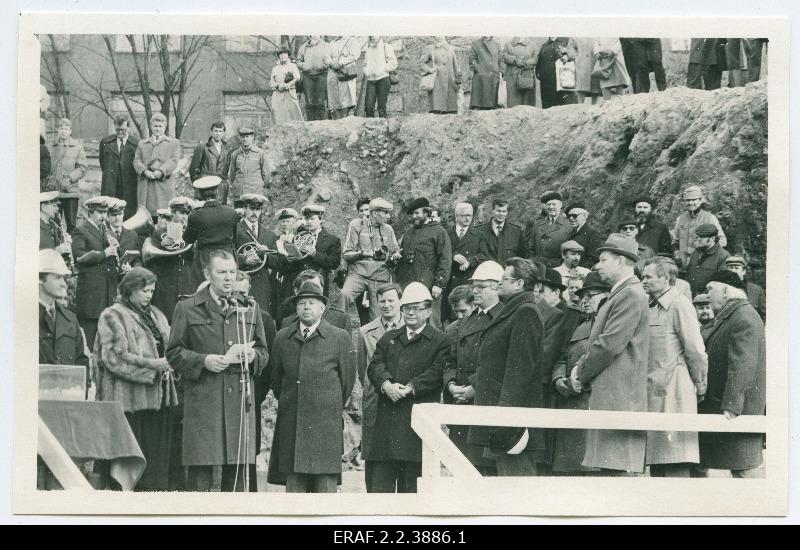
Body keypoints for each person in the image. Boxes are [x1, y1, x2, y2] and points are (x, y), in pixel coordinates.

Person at [165, 250, 270, 492]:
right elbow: (173, 352)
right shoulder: (187, 308)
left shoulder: (250, 309)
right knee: (200, 482)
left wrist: (254, 356)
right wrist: (203, 361)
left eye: (232, 272)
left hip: (239, 409)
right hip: (204, 404)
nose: (228, 278)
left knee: (236, 485)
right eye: (221, 272)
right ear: (207, 274)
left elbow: (264, 350)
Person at [569, 234, 649, 475]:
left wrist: (579, 373)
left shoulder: (630, 294)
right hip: (613, 394)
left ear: (622, 261)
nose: (597, 265)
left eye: (604, 259)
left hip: (619, 396)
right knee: (610, 471)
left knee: (615, 474)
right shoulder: (622, 293)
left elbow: (609, 345)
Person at [267, 280, 355, 492]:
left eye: (312, 303)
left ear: (322, 308)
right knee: (295, 495)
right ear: (296, 308)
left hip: (325, 426)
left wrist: (324, 402)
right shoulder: (282, 338)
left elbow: (347, 382)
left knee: (324, 493)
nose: (306, 307)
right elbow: (277, 381)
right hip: (292, 423)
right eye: (302, 303)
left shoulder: (339, 338)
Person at [94, 267, 177, 490]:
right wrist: (154, 368)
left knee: (154, 465)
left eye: (151, 290)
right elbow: (113, 359)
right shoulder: (112, 315)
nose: (149, 295)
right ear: (129, 290)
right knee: (129, 467)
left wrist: (169, 364)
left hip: (158, 401)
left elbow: (170, 348)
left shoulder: (157, 314)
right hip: (129, 403)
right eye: (144, 291)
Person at [366, 282, 449, 492]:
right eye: (407, 308)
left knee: (412, 495)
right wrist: (386, 385)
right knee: (379, 495)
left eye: (416, 308)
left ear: (429, 310)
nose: (410, 313)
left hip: (416, 430)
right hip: (386, 428)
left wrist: (411, 387)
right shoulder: (389, 338)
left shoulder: (440, 341)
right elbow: (375, 366)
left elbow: (437, 371)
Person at [468, 257, 545, 476]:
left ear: (519, 283)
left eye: (504, 278)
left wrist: (505, 417)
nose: (498, 283)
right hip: (501, 415)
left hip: (511, 421)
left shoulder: (525, 312)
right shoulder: (514, 310)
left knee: (516, 485)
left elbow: (520, 370)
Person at [641, 257, 708, 478]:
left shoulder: (679, 304)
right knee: (659, 462)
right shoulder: (651, 307)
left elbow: (695, 350)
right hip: (655, 393)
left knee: (675, 460)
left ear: (665, 278)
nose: (643, 281)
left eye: (648, 276)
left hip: (675, 393)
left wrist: (700, 385)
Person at [698, 271, 766, 478]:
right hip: (727, 409)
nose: (706, 294)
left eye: (710, 289)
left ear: (725, 291)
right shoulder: (735, 314)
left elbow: (743, 365)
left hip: (734, 412)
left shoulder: (743, 317)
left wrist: (731, 407)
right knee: (739, 468)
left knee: (743, 470)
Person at [443, 261, 505, 476]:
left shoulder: (505, 317)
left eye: (481, 286)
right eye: (474, 286)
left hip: (487, 403)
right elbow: (451, 360)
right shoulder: (466, 322)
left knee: (487, 472)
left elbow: (501, 362)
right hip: (460, 403)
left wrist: (474, 388)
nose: (474, 291)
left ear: (497, 287)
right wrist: (451, 385)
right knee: (461, 469)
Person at [550, 271, 608, 475]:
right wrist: (559, 380)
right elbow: (562, 356)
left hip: (593, 406)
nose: (584, 301)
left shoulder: (610, 328)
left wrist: (580, 380)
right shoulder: (581, 326)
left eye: (590, 295)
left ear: (607, 296)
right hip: (569, 404)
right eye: (583, 296)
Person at [357, 283, 405, 492]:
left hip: (403, 401)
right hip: (375, 402)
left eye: (391, 300)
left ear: (400, 302)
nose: (386, 305)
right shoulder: (365, 332)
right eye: (382, 301)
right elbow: (362, 369)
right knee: (376, 475)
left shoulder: (410, 329)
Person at [394, 197, 451, 330]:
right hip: (407, 284)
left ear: (426, 212)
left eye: (417, 213)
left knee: (432, 321)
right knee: (408, 320)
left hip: (429, 285)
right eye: (412, 214)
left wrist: (439, 284)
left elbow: (445, 259)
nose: (414, 217)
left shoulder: (439, 232)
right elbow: (402, 258)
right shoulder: (408, 233)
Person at [71, 196, 119, 352]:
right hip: (91, 297)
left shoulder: (105, 231)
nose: (104, 216)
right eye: (100, 212)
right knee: (91, 341)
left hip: (106, 294)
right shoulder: (81, 230)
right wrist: (104, 253)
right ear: (90, 213)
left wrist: (116, 252)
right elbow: (79, 257)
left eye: (105, 212)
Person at [341, 198, 399, 322]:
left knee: (377, 319)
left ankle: (374, 340)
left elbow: (395, 251)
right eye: (385, 213)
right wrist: (363, 254)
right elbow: (346, 254)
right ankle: (337, 335)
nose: (388, 216)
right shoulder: (357, 225)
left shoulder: (388, 229)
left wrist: (395, 257)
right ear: (374, 213)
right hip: (358, 274)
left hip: (380, 276)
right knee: (343, 297)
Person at [271, 204, 342, 299]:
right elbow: (285, 268)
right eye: (306, 219)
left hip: (318, 284)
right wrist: (289, 260)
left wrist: (315, 254)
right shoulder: (297, 238)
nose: (308, 222)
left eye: (312, 219)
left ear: (320, 220)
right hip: (297, 284)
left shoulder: (332, 240)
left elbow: (334, 263)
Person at [182, 175, 240, 288]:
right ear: (217, 191)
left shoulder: (195, 216)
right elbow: (235, 239)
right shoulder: (231, 212)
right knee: (227, 289)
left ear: (200, 194)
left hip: (205, 259)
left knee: (204, 291)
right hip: (227, 257)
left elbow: (187, 240)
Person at [146, 197, 195, 323]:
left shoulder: (191, 234)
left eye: (187, 214)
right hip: (167, 285)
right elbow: (150, 260)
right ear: (172, 213)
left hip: (186, 283)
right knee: (165, 321)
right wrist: (161, 245)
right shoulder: (159, 233)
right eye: (182, 213)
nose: (185, 217)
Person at [39, 248, 88, 372]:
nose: (64, 284)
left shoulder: (70, 318)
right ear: (39, 279)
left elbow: (81, 363)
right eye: (57, 278)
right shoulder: (23, 318)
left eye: (64, 278)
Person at [234, 193, 278, 315]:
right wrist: (244, 260)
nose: (255, 213)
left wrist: (266, 253)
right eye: (251, 209)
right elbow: (227, 254)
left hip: (262, 286)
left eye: (258, 209)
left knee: (261, 319)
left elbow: (277, 261)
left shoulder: (269, 234)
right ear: (245, 209)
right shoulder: (235, 229)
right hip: (240, 284)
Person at [133, 113, 181, 217]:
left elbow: (174, 160)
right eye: (155, 126)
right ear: (151, 127)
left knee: (164, 213)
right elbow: (136, 160)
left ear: (165, 127)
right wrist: (145, 171)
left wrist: (161, 171)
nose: (158, 129)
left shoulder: (173, 143)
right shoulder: (142, 144)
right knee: (146, 215)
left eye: (160, 126)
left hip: (164, 184)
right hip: (147, 183)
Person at [442, 202, 482, 324]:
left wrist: (470, 261)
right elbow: (440, 253)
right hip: (450, 280)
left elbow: (484, 255)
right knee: (451, 315)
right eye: (464, 215)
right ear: (456, 217)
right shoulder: (446, 234)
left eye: (470, 215)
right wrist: (453, 255)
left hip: (468, 280)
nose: (467, 218)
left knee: (468, 314)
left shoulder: (478, 234)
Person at [672, 185, 727, 271]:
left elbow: (722, 241)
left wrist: (706, 253)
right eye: (688, 200)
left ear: (700, 200)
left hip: (702, 266)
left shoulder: (710, 218)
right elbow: (675, 241)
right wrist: (676, 253)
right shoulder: (680, 219)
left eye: (694, 200)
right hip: (681, 266)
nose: (690, 203)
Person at [48, 117, 87, 232]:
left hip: (70, 192)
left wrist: (70, 179)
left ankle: (71, 248)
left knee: (71, 224)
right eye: (61, 128)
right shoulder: (51, 147)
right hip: (54, 192)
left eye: (66, 128)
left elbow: (83, 168)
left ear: (70, 131)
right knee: (54, 224)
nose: (63, 131)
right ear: (58, 130)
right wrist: (49, 180)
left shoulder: (77, 147)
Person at [279, 269, 351, 330]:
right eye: (307, 290)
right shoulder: (287, 323)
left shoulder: (340, 320)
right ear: (296, 292)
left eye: (317, 289)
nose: (314, 294)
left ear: (322, 290)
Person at [99, 114, 140, 220]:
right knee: (109, 212)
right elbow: (102, 163)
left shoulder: (136, 144)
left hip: (129, 185)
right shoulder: (105, 142)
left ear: (129, 128)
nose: (120, 132)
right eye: (117, 130)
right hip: (110, 184)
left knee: (128, 213)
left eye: (123, 130)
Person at [189, 122, 232, 206]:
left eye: (220, 131)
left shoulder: (227, 148)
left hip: (221, 187)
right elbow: (193, 168)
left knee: (220, 213)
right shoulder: (202, 147)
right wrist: (198, 185)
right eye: (215, 131)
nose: (218, 134)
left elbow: (226, 169)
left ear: (224, 133)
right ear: (211, 132)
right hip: (205, 186)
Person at [227, 127, 270, 208]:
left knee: (255, 217)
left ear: (252, 137)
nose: (245, 139)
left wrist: (259, 186)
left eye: (247, 137)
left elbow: (266, 175)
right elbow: (232, 175)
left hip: (255, 194)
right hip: (240, 194)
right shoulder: (235, 154)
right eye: (243, 137)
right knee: (240, 217)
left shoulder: (260, 153)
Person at [475, 199, 526, 266]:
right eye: (498, 211)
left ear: (507, 213)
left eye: (504, 211)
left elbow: (521, 257)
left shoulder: (517, 232)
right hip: (487, 273)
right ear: (492, 211)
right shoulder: (479, 231)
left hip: (508, 273)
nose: (501, 214)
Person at [270, 207, 300, 320]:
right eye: (283, 221)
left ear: (294, 222)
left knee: (290, 306)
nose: (285, 224)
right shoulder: (275, 239)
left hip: (292, 278)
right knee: (277, 306)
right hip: (277, 278)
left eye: (288, 221)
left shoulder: (298, 239)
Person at [530, 191, 573, 268]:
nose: (551, 207)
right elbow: (531, 248)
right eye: (548, 204)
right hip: (538, 266)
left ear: (560, 205)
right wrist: (532, 261)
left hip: (558, 267)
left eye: (554, 204)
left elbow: (570, 251)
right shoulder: (538, 224)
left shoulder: (569, 225)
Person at [419, 36, 462, 114]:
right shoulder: (430, 48)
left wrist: (458, 79)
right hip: (437, 83)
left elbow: (455, 65)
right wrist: (429, 69)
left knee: (452, 113)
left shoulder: (451, 48)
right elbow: (421, 63)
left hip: (450, 83)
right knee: (437, 112)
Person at [687, 224, 730, 296]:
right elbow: (688, 274)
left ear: (712, 239)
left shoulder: (724, 256)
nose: (698, 240)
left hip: (708, 301)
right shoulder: (695, 253)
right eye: (697, 237)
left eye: (701, 237)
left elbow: (720, 284)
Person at [537, 37, 578, 109]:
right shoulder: (544, 46)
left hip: (564, 83)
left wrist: (567, 57)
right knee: (548, 109)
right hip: (547, 85)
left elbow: (575, 55)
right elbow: (539, 62)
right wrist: (539, 74)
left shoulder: (567, 41)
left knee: (565, 108)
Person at [296, 35, 331, 121]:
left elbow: (331, 58)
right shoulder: (303, 47)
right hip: (308, 76)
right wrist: (304, 66)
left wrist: (326, 64)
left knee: (320, 102)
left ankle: (321, 125)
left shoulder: (326, 46)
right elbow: (298, 61)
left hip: (321, 75)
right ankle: (311, 125)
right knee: (309, 102)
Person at [363, 36, 398, 119]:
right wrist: (367, 72)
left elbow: (394, 63)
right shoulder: (368, 50)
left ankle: (383, 129)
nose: (373, 37)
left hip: (383, 79)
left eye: (375, 35)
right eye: (371, 36)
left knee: (381, 107)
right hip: (371, 80)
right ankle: (370, 129)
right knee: (368, 107)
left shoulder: (386, 47)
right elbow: (364, 65)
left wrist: (383, 69)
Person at [325, 36, 359, 119]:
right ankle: (335, 118)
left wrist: (340, 63)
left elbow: (354, 56)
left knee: (347, 96)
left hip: (346, 71)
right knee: (334, 98)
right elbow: (326, 57)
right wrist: (332, 63)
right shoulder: (332, 43)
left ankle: (347, 116)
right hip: (333, 71)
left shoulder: (352, 41)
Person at [724, 256, 766, 323]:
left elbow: (765, 316)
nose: (733, 271)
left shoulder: (756, 290)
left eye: (736, 268)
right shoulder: (719, 289)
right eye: (730, 268)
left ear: (743, 271)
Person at [105, 198, 142, 272]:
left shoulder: (132, 235)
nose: (117, 218)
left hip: (128, 276)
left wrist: (133, 269)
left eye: (119, 214)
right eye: (113, 215)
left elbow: (138, 259)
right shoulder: (104, 234)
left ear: (123, 214)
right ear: (108, 216)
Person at [468, 36, 504, 111]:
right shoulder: (476, 43)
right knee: (478, 109)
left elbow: (500, 60)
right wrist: (478, 69)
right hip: (480, 78)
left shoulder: (496, 44)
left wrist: (501, 71)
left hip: (494, 77)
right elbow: (472, 58)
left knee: (492, 109)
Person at [270, 47, 304, 124]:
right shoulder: (275, 68)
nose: (283, 56)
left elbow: (297, 78)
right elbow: (271, 83)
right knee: (277, 111)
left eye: (285, 53)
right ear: (278, 56)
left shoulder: (293, 66)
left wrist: (287, 85)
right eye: (281, 54)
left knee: (293, 111)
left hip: (290, 92)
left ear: (288, 55)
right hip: (278, 93)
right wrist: (278, 86)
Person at [565, 202, 605, 269]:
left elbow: (593, 259)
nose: (571, 218)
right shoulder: (572, 232)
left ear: (584, 216)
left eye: (574, 215)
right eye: (569, 216)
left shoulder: (592, 234)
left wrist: (578, 271)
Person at [501, 37, 537, 108]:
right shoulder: (508, 44)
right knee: (513, 105)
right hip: (512, 78)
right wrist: (515, 60)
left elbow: (536, 58)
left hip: (527, 78)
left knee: (527, 105)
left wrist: (525, 63)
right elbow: (504, 56)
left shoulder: (532, 45)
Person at [39, 191, 71, 256]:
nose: (57, 208)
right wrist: (57, 251)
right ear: (43, 207)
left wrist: (64, 242)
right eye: (54, 205)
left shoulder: (53, 224)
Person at [574, 37, 602, 105]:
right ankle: (580, 109)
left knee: (595, 90)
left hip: (595, 64)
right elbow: (571, 47)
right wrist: (576, 57)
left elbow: (603, 43)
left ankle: (594, 110)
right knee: (580, 90)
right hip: (581, 66)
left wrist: (601, 53)